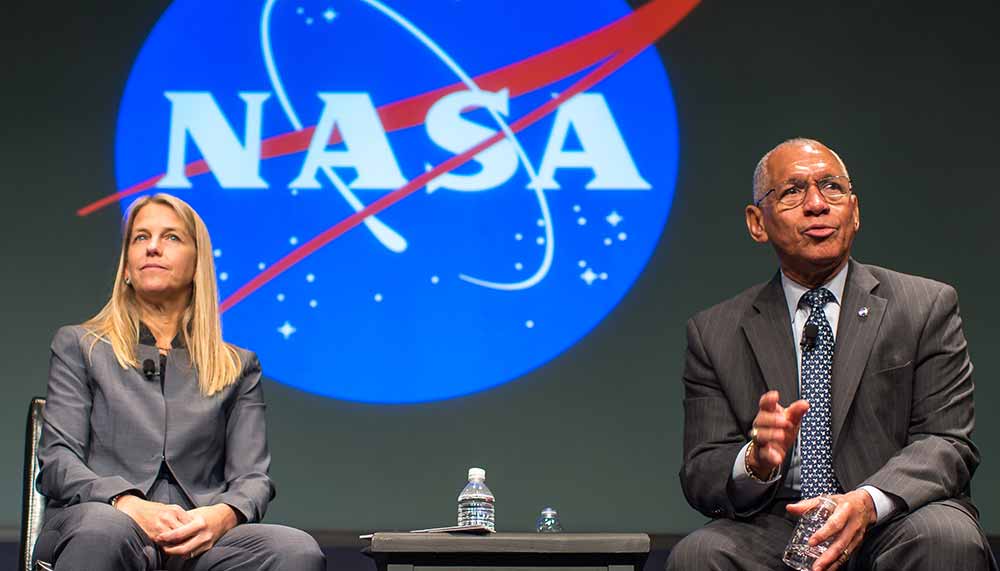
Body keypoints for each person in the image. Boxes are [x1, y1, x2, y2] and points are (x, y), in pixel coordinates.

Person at [665, 138, 996, 571]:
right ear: (757, 223)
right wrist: (755, 462)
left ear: (854, 212)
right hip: (780, 522)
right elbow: (701, 473)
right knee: (698, 556)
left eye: (832, 188)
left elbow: (947, 442)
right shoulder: (714, 332)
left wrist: (865, 502)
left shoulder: (925, 305)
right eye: (793, 192)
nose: (817, 204)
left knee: (946, 538)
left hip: (895, 516)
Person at [33, 194, 326, 570]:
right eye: (140, 238)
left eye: (171, 237)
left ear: (197, 265)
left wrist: (220, 516)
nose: (153, 247)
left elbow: (252, 479)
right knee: (105, 529)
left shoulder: (238, 366)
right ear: (126, 266)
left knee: (294, 549)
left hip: (196, 535)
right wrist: (127, 504)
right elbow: (58, 461)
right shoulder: (79, 346)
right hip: (100, 520)